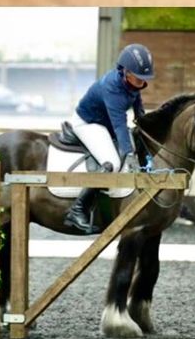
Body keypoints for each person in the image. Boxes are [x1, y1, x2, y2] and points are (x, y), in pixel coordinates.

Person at [63, 43, 154, 234]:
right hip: (88, 122)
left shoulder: (132, 82)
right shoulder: (112, 88)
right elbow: (120, 125)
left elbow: (137, 102)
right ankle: (78, 210)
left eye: (144, 79)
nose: (142, 82)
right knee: (112, 161)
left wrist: (143, 121)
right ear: (126, 71)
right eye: (139, 77)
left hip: (106, 123)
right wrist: (129, 154)